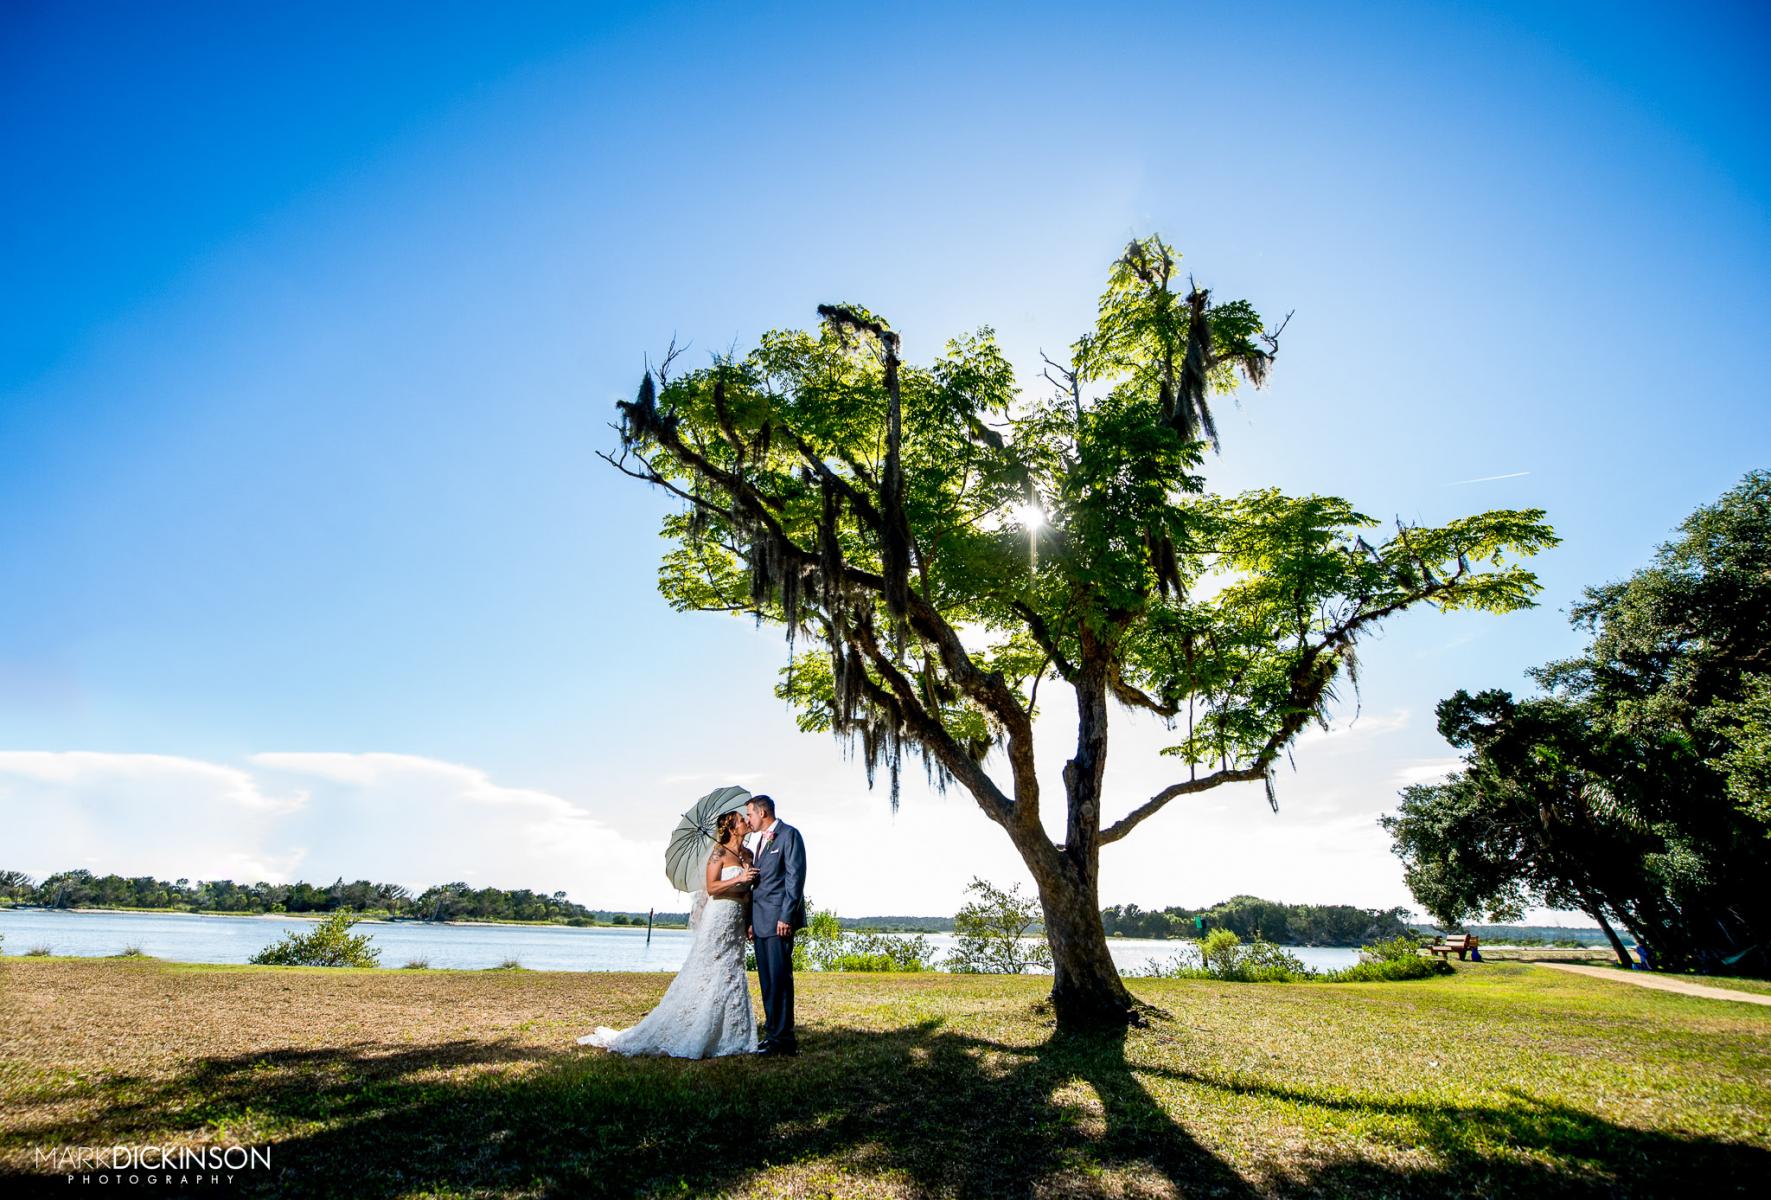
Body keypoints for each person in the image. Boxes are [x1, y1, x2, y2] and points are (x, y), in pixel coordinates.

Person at [576, 809, 759, 1057]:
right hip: (718, 917)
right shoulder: (718, 852)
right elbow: (713, 887)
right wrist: (740, 879)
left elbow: (749, 892)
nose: (747, 822)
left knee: (732, 968)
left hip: (737, 918)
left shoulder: (748, 854)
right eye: (741, 820)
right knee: (708, 968)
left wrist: (749, 919)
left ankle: (734, 1033)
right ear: (730, 827)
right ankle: (696, 1025)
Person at [745, 794, 806, 1056]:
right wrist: (750, 922)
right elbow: (760, 886)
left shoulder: (789, 835)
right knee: (768, 981)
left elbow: (795, 878)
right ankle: (772, 1035)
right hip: (760, 923)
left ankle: (784, 1040)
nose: (748, 820)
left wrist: (786, 917)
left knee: (780, 980)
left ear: (763, 813)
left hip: (778, 921)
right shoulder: (760, 841)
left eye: (750, 814)